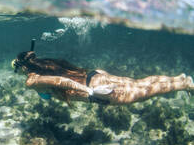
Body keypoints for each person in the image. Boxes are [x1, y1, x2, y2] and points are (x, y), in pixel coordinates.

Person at [11, 41, 194, 105]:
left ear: (24, 67)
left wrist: (90, 92)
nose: (17, 73)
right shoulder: (47, 64)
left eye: (16, 69)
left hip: (95, 89)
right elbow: (56, 82)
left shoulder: (32, 81)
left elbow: (60, 81)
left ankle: (185, 84)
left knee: (140, 94)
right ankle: (179, 79)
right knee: (139, 84)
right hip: (95, 75)